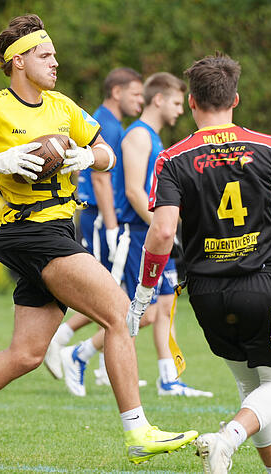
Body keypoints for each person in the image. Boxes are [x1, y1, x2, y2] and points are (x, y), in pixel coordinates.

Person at [0, 14, 197, 465]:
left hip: (57, 228)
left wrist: (89, 156)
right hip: (32, 231)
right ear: (18, 61)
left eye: (54, 54)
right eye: (45, 55)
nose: (55, 62)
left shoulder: (62, 106)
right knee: (116, 312)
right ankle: (138, 432)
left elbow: (108, 152)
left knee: (26, 353)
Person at [128, 53, 271, 473]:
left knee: (251, 387)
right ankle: (227, 439)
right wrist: (268, 214)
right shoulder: (270, 147)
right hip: (259, 287)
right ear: (236, 99)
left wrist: (143, 291)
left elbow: (161, 232)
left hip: (206, 292)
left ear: (191, 102)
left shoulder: (173, 158)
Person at [60, 72, 213, 399]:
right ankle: (79, 352)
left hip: (155, 232)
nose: (180, 110)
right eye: (175, 102)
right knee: (138, 312)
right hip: (138, 235)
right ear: (158, 99)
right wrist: (165, 226)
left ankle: (168, 378)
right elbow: (132, 191)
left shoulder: (154, 137)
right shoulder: (138, 136)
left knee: (165, 306)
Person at [43, 67, 144, 387]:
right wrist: (112, 227)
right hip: (102, 217)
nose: (140, 101)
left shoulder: (103, 120)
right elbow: (101, 177)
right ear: (117, 92)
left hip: (95, 214)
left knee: (118, 293)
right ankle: (62, 337)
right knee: (113, 294)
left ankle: (101, 365)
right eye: (135, 94)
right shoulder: (107, 125)